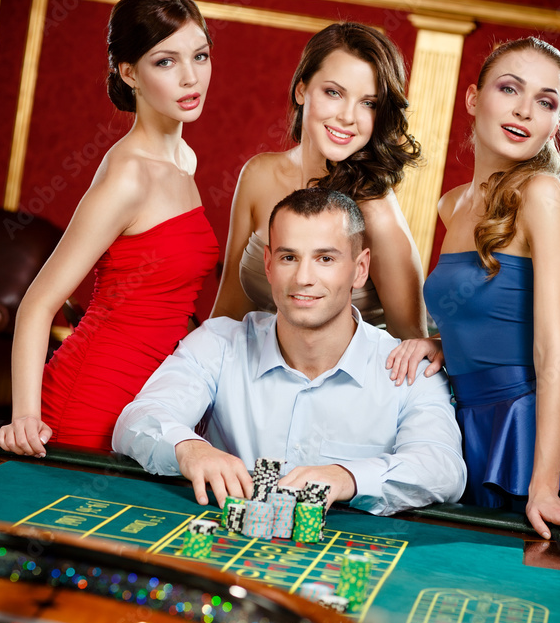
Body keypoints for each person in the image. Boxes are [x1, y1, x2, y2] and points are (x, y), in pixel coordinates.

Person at [387, 36, 560, 539]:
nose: (525, 111)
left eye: (546, 102)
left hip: (533, 445)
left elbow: (553, 352)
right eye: (510, 89)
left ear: (555, 122)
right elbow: (489, 314)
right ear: (472, 98)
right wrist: (442, 342)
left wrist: (545, 485)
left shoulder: (543, 194)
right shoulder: (452, 204)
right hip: (468, 431)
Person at [114, 188, 465, 516]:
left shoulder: (411, 371)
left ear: (360, 269)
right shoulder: (219, 344)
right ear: (268, 265)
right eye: (289, 257)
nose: (303, 278)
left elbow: (442, 468)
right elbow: (137, 419)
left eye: (325, 258)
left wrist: (347, 477)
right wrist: (190, 449)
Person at [0, 0, 219, 456]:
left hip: (154, 399)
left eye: (199, 56)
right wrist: (25, 417)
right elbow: (38, 303)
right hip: (93, 397)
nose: (189, 77)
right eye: (165, 62)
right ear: (129, 72)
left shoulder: (184, 159)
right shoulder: (129, 175)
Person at [210, 21, 427, 338]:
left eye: (368, 102)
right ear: (301, 90)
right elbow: (228, 313)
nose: (348, 116)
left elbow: (410, 347)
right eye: (334, 92)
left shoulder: (377, 216)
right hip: (252, 373)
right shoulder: (258, 175)